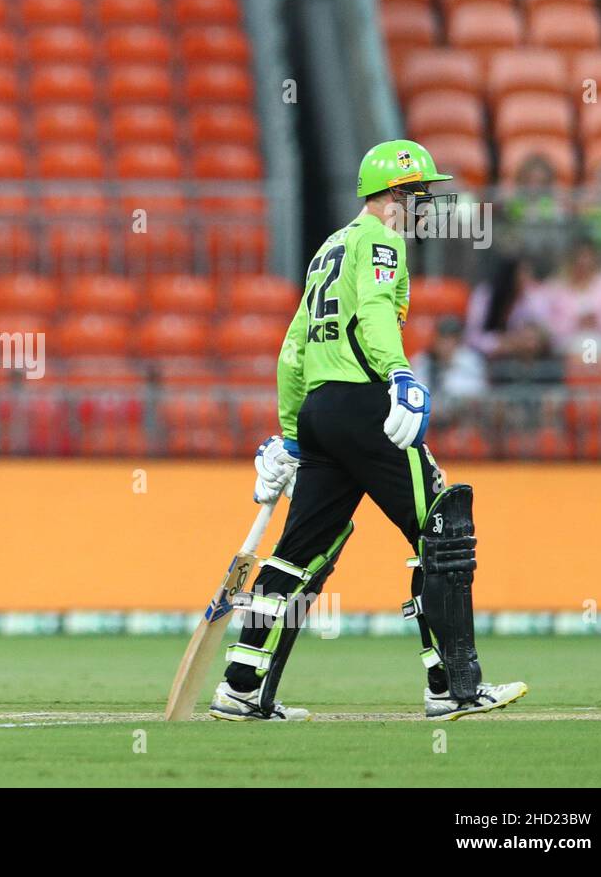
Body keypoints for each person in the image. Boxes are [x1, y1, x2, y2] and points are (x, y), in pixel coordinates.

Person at [220, 139, 527, 721]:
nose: (423, 207)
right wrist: (400, 373)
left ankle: (240, 686)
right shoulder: (381, 242)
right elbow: (376, 312)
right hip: (365, 408)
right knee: (442, 531)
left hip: (321, 409)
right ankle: (453, 686)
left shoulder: (328, 250)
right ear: (391, 194)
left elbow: (292, 348)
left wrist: (291, 433)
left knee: (297, 554)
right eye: (418, 195)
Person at [542, 238, 601, 357]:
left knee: (591, 344)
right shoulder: (555, 286)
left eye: (587, 256)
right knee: (584, 345)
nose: (583, 262)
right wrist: (574, 323)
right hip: (565, 347)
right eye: (579, 257)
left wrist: (599, 321)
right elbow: (545, 323)